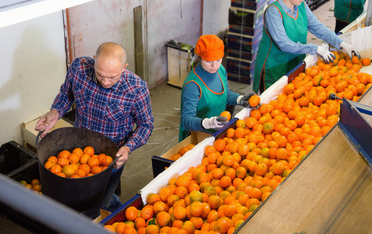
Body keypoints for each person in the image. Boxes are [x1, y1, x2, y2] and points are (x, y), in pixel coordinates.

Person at [35, 42, 154, 215]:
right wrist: (54, 112)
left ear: (124, 67)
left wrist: (128, 147)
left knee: (99, 202)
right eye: (100, 74)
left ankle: (107, 213)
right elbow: (66, 94)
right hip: (77, 149)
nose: (105, 81)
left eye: (112, 77)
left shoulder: (136, 89)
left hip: (111, 158)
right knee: (77, 196)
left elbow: (146, 125)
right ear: (93, 61)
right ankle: (111, 209)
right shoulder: (79, 69)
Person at [253, 0, 360, 93]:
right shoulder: (273, 12)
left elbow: (317, 27)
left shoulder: (302, 6)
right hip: (275, 65)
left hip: (295, 59)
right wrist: (315, 48)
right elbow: (284, 44)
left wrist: (341, 44)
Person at [179, 35, 254, 142]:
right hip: (199, 135)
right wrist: (208, 123)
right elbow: (186, 120)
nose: (214, 65)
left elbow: (224, 94)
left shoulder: (220, 70)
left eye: (218, 60)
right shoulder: (193, 85)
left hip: (218, 131)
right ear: (200, 58)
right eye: (209, 61)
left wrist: (240, 99)